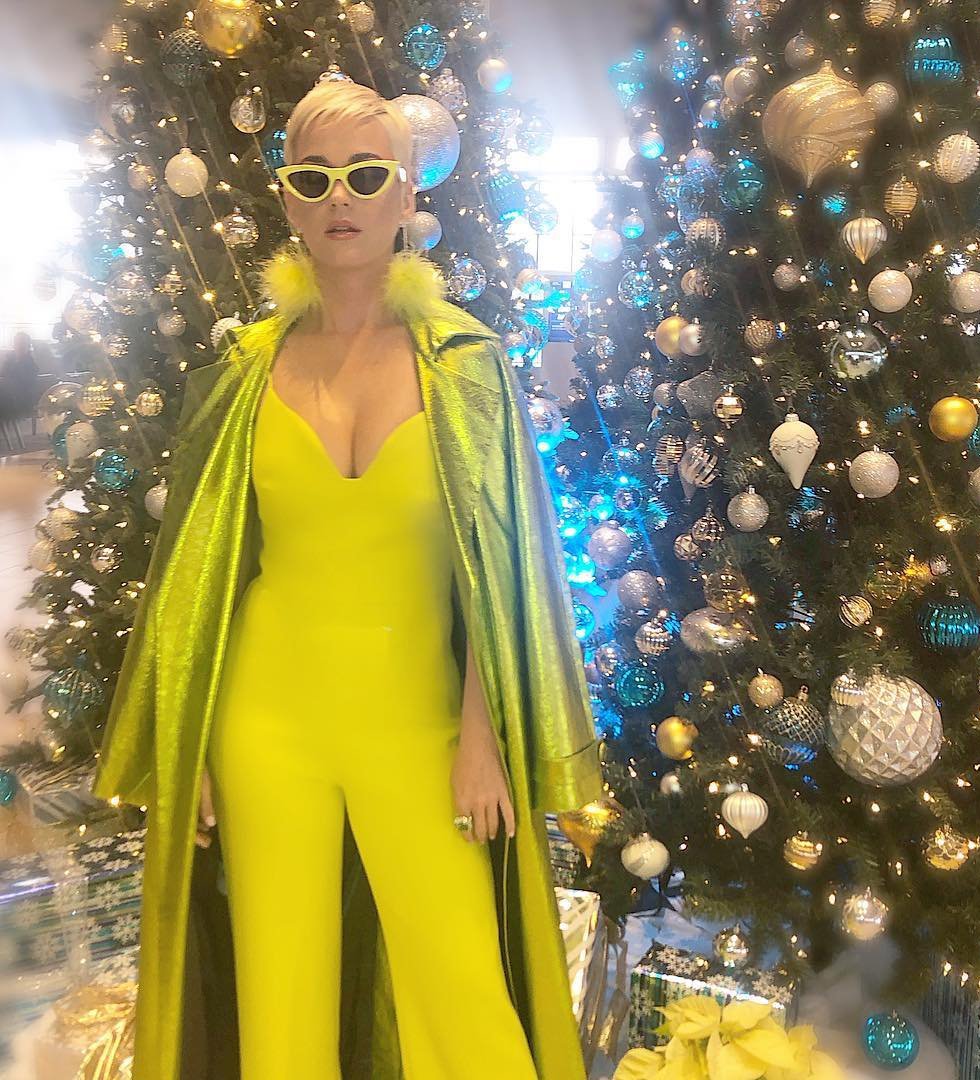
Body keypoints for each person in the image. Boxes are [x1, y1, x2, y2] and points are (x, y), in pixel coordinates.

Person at [91, 69, 605, 1080]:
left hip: (420, 724)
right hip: (262, 721)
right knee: (278, 1001)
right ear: (286, 198)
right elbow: (201, 574)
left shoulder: (467, 366)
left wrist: (483, 736)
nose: (341, 199)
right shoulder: (244, 372)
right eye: (313, 177)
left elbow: (503, 580)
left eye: (367, 175)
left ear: (408, 195)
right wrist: (191, 741)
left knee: (462, 992)